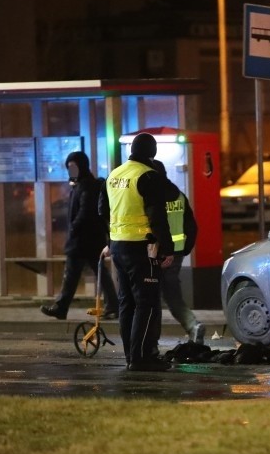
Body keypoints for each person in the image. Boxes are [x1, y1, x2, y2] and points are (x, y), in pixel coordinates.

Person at [99, 132, 179, 372]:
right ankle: (142, 358)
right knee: (147, 303)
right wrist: (167, 248)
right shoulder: (148, 176)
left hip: (118, 246)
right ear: (152, 153)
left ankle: (130, 355)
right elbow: (157, 217)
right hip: (142, 247)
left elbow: (102, 210)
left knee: (127, 303)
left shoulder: (114, 175)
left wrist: (111, 240)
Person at [40, 151, 118, 320]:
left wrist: (74, 228)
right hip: (90, 239)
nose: (70, 171)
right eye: (69, 168)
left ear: (81, 166)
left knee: (72, 273)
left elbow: (85, 211)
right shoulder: (82, 184)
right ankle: (113, 305)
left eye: (73, 167)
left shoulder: (86, 186)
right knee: (96, 273)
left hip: (83, 240)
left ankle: (62, 307)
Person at [151, 160, 205, 344]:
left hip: (158, 254)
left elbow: (157, 226)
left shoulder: (154, 196)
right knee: (172, 295)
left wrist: (164, 250)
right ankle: (193, 325)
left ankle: (151, 339)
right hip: (177, 253)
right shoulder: (178, 195)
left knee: (150, 299)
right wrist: (183, 249)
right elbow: (192, 226)